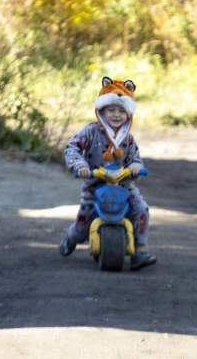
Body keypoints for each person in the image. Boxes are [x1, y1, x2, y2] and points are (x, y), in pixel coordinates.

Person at [59, 76, 156, 270]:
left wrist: (136, 167)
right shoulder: (90, 132)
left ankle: (139, 250)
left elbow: (135, 158)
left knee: (141, 209)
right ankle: (72, 236)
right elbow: (72, 148)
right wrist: (80, 166)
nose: (116, 115)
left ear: (128, 114)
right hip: (95, 186)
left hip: (124, 186)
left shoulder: (128, 139)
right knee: (82, 226)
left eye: (121, 111)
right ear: (101, 110)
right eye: (111, 109)